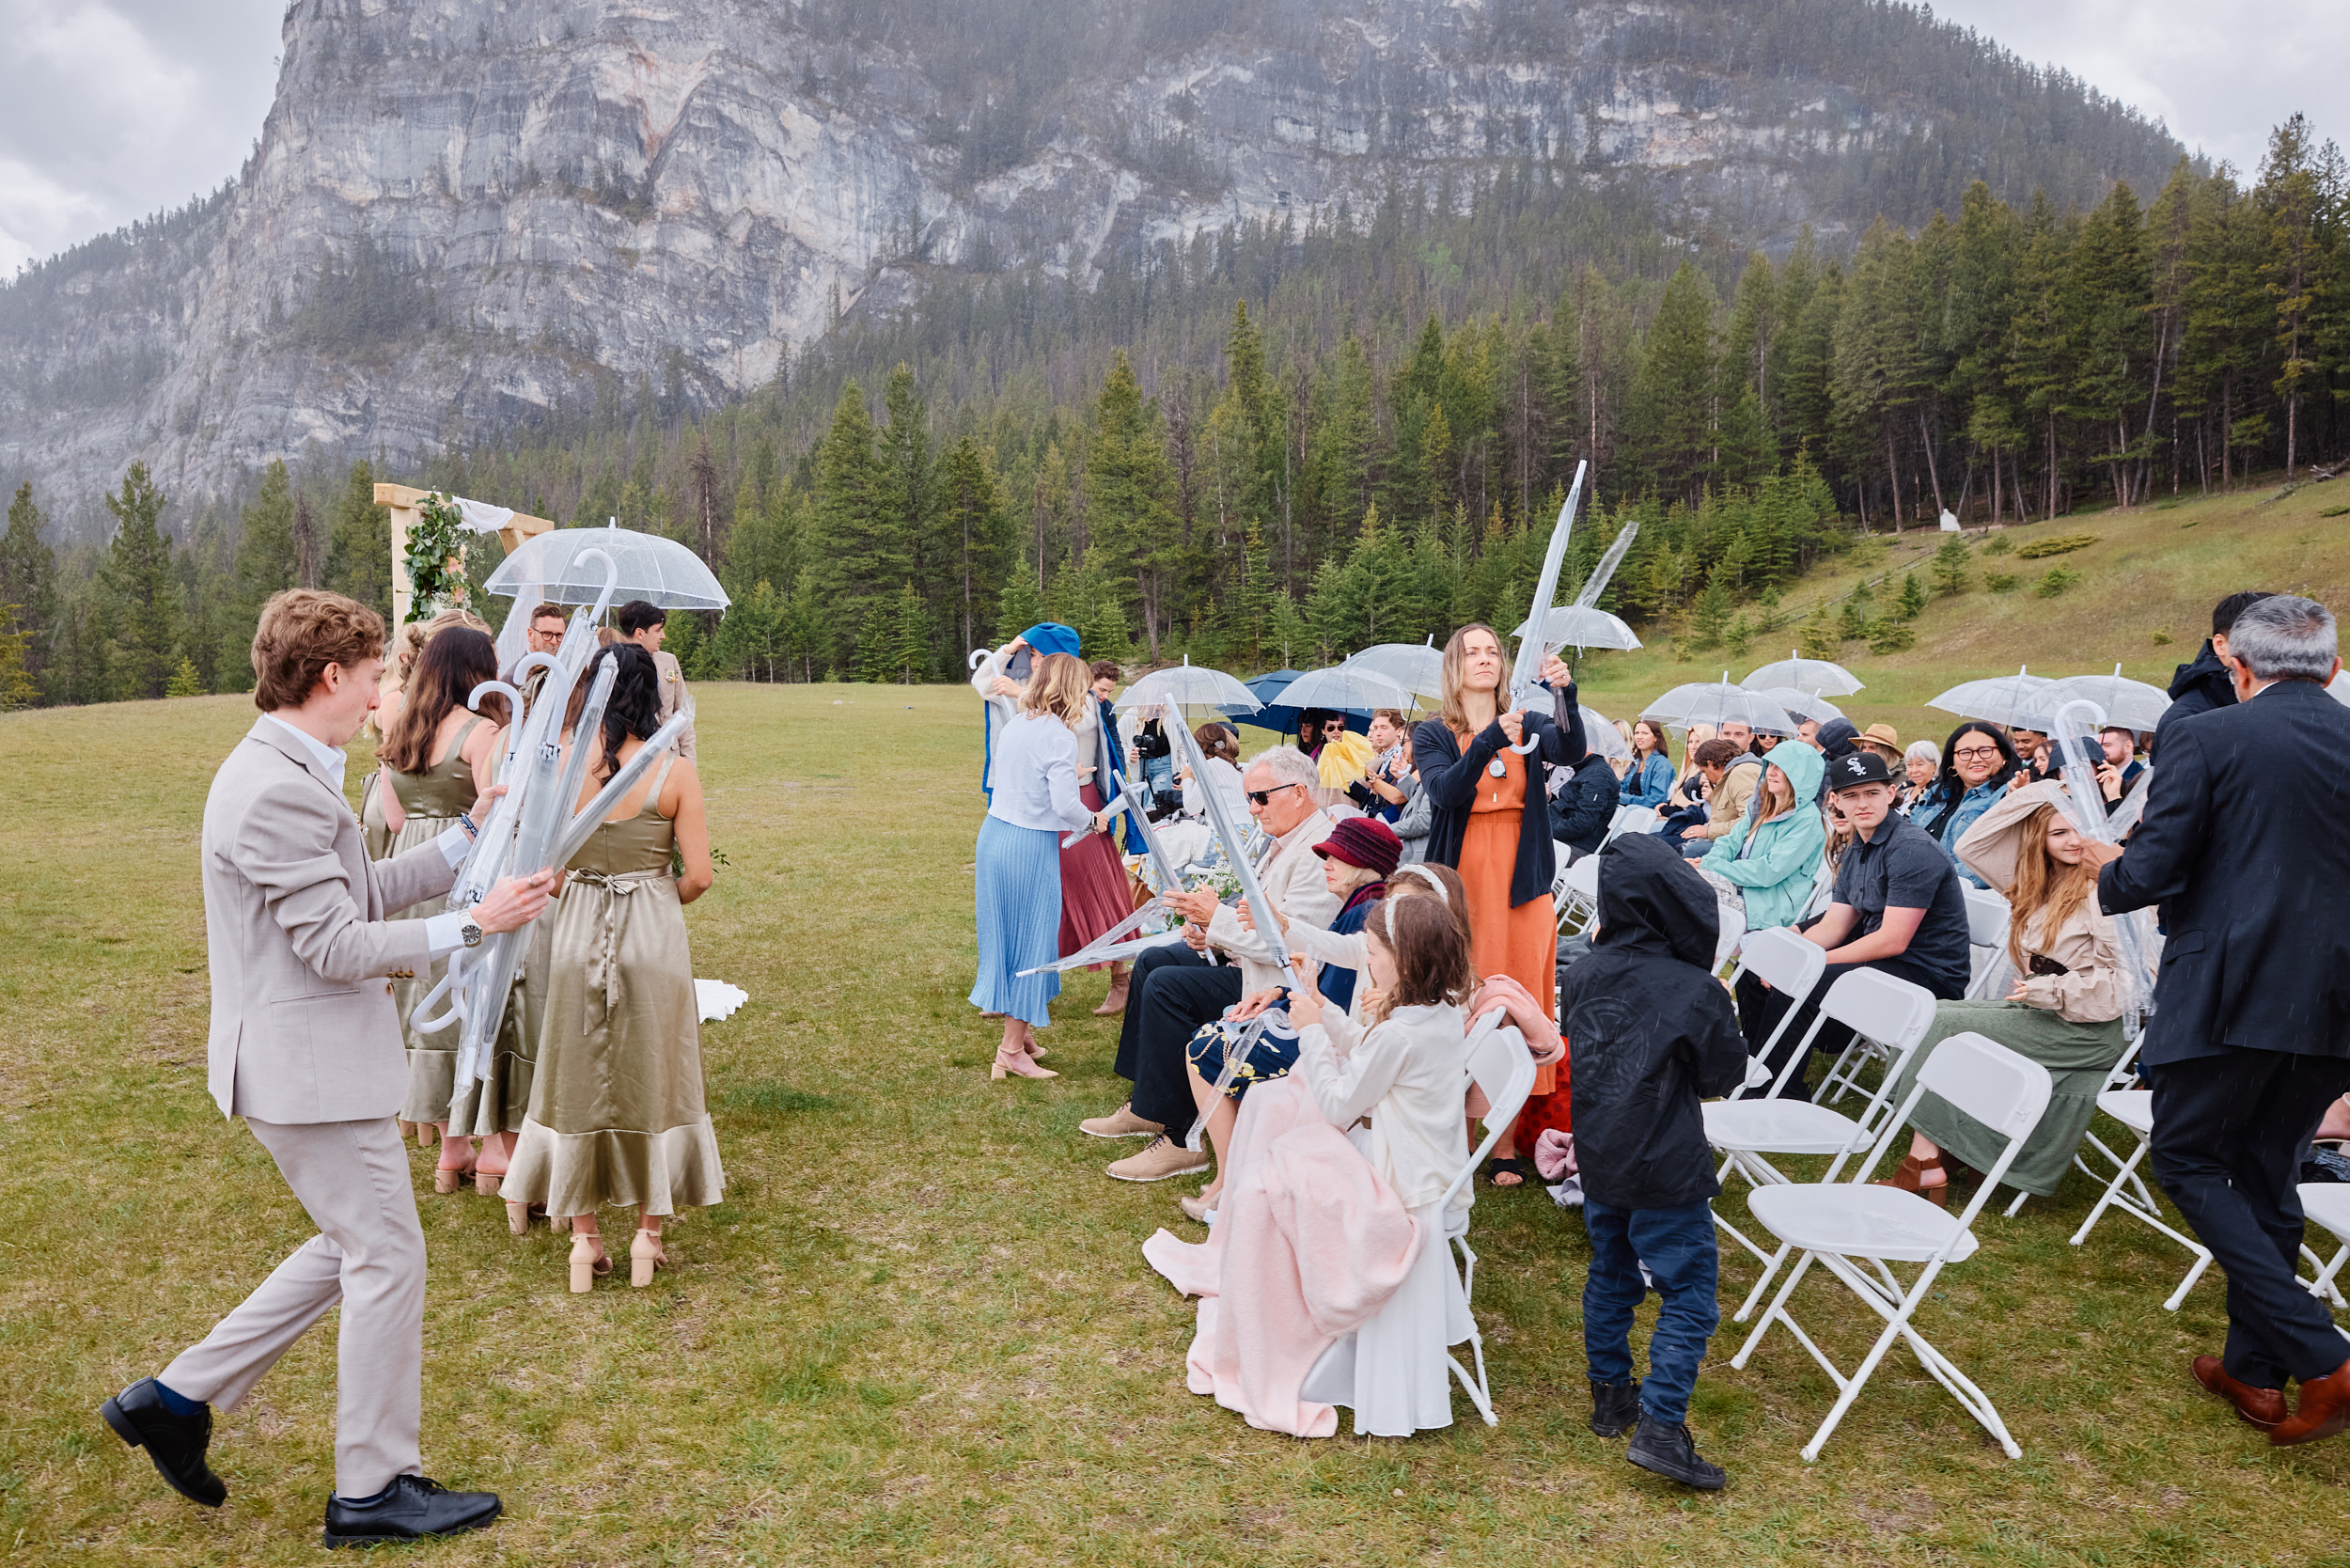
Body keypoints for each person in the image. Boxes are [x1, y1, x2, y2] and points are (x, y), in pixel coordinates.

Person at [102, 590, 551, 1546]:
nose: (392, 689)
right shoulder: (273, 787)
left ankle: (176, 1399)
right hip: (306, 1070)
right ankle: (372, 1489)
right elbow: (339, 946)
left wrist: (472, 841)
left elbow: (359, 887)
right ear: (330, 677)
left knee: (353, 1245)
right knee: (385, 1256)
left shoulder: (292, 769)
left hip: (312, 1063)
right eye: (381, 671)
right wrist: (478, 922)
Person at [2088, 594, 2350, 1446]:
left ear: (2238, 669)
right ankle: (2252, 1371)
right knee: (2270, 1173)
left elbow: (2151, 871)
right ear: (2334, 669)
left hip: (2232, 990)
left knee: (2188, 1157)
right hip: (2337, 1001)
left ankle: (2323, 1350)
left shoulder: (2206, 735)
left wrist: (2105, 864)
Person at [501, 645, 719, 1289]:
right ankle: (649, 1235)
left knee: (574, 1075)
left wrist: (586, 889)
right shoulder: (673, 772)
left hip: (574, 929)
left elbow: (545, 865)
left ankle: (584, 1239)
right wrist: (654, 896)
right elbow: (700, 876)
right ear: (653, 693)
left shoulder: (564, 765)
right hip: (652, 930)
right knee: (658, 1071)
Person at [1564, 836, 1746, 1491]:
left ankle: (1611, 1395)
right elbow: (1722, 1075)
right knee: (1690, 1292)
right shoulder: (1695, 988)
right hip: (1665, 1159)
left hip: (1601, 1147)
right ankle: (1662, 1426)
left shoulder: (1583, 969)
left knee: (1612, 1269)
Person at [1874, 783, 2132, 1202]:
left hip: (2088, 1027)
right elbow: (1971, 844)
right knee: (1934, 1016)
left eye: (2081, 829)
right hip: (2041, 1009)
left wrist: (2048, 990)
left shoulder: (2108, 891)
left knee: (1944, 1022)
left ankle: (1923, 1163)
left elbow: (2126, 985)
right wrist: (2048, 788)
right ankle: (1943, 1148)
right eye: (2059, 832)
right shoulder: (2038, 881)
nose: (2074, 841)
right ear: (2039, 839)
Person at [1090, 746, 1337, 1182]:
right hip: (1252, 965)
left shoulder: (1320, 851)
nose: (1252, 809)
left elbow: (1289, 940)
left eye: (1260, 797)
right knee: (1152, 960)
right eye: (1250, 798)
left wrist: (1216, 921)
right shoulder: (1288, 841)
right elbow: (1253, 922)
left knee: (1168, 984)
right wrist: (1212, 935)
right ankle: (1148, 1102)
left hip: (1277, 988)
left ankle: (1182, 1137)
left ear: (1299, 792)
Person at [1284, 893, 1477, 1435]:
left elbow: (1343, 1102)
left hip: (1401, 1180)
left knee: (1285, 1177)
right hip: (1426, 1167)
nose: (1366, 962)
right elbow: (1373, 1060)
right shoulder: (1435, 1014)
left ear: (1406, 960)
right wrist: (1323, 1015)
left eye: (1371, 952)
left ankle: (1299, 1323)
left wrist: (1311, 1033)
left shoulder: (1400, 1031)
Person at [1410, 628, 1575, 1186]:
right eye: (1472, 653)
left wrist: (1563, 695)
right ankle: (1459, 1133)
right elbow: (1445, 794)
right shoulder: (1432, 732)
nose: (1485, 660)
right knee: (1464, 998)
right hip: (1463, 879)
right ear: (1455, 667)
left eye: (1493, 652)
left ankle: (1505, 1140)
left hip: (1522, 879)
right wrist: (1485, 741)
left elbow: (1572, 751)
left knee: (1518, 998)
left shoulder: (1529, 723)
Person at [1179, 818, 1400, 1219]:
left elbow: (1333, 990)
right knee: (1219, 1027)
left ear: (1365, 862)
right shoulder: (1364, 905)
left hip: (1332, 1043)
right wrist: (1278, 993)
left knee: (1205, 1045)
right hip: (1327, 1027)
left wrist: (1282, 999)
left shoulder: (1368, 912)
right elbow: (1326, 966)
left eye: (1337, 855)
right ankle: (1232, 1164)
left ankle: (1229, 1177)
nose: (1326, 862)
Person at [1739, 749, 1972, 1098]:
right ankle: (1755, 1070)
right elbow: (1834, 925)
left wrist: (1805, 964)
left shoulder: (1910, 849)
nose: (1862, 804)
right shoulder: (1857, 846)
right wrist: (1785, 957)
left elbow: (1893, 940)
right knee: (1754, 970)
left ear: (1891, 794)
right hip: (1886, 962)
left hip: (1927, 975)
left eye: (1872, 793)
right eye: (1851, 796)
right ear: (1836, 801)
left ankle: (1779, 1092)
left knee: (1800, 980)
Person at [371, 628, 510, 1188]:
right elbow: (496, 814)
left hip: (407, 869)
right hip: (461, 869)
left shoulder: (402, 727)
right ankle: (478, 1141)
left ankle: (448, 1147)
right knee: (470, 998)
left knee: (420, 997)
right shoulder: (483, 733)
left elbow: (394, 819)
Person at [967, 651, 1112, 1079]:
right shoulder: (1059, 734)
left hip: (994, 836)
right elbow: (1065, 806)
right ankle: (1011, 1050)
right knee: (1032, 941)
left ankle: (1023, 1034)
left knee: (1006, 938)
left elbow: (1025, 776)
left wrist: (1069, 771)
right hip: (1028, 845)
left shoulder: (1018, 722)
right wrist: (1095, 819)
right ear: (1072, 689)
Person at [1065, 659, 1140, 1014]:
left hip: (1089, 799)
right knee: (1058, 886)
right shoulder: (1069, 700)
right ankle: (1032, 980)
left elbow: (1108, 747)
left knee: (1101, 884)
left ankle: (1120, 978)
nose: (1105, 694)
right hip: (1060, 801)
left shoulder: (1095, 707)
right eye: (1101, 687)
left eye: (1110, 690)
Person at [1698, 743, 1827, 931]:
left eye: (1781, 768)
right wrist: (1710, 862)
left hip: (1768, 905)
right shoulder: (1761, 807)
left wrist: (1711, 866)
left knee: (1685, 893)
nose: (1771, 772)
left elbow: (1768, 872)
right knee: (1678, 881)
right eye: (1771, 765)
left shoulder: (1807, 821)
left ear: (1799, 775)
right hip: (1741, 887)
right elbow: (1728, 843)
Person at [2155, 589, 2275, 759]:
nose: (2272, 649)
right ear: (2220, 645)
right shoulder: (2185, 721)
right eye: (2257, 640)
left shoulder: (2297, 698)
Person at [1909, 721, 2023, 888]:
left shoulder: (2008, 794)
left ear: (2004, 756)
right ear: (1952, 761)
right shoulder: (1936, 794)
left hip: (1967, 899)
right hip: (1913, 888)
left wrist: (2018, 801)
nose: (1976, 758)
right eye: (1965, 752)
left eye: (1985, 750)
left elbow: (2000, 863)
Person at [614, 600, 696, 762]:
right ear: (640, 633)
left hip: (671, 758)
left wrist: (689, 761)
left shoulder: (669, 661)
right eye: (658, 630)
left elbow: (683, 714)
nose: (663, 636)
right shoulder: (615, 663)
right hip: (632, 759)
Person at [1359, 710, 1414, 821]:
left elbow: (1394, 799)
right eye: (1375, 728)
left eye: (1384, 728)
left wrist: (1367, 775)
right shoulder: (1383, 757)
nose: (1377, 733)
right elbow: (1372, 796)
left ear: (1398, 730)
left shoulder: (1402, 759)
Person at [1620, 720, 1675, 808]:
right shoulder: (1636, 762)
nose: (1639, 737)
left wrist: (1623, 798)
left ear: (1656, 737)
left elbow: (1655, 800)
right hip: (1627, 810)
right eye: (1636, 733)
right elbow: (1622, 788)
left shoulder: (1662, 765)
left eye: (1645, 733)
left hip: (1646, 815)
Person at [1899, 740, 1941, 813]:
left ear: (1934, 766)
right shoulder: (1904, 787)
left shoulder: (1936, 793)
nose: (1914, 770)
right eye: (1909, 765)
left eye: (1920, 764)